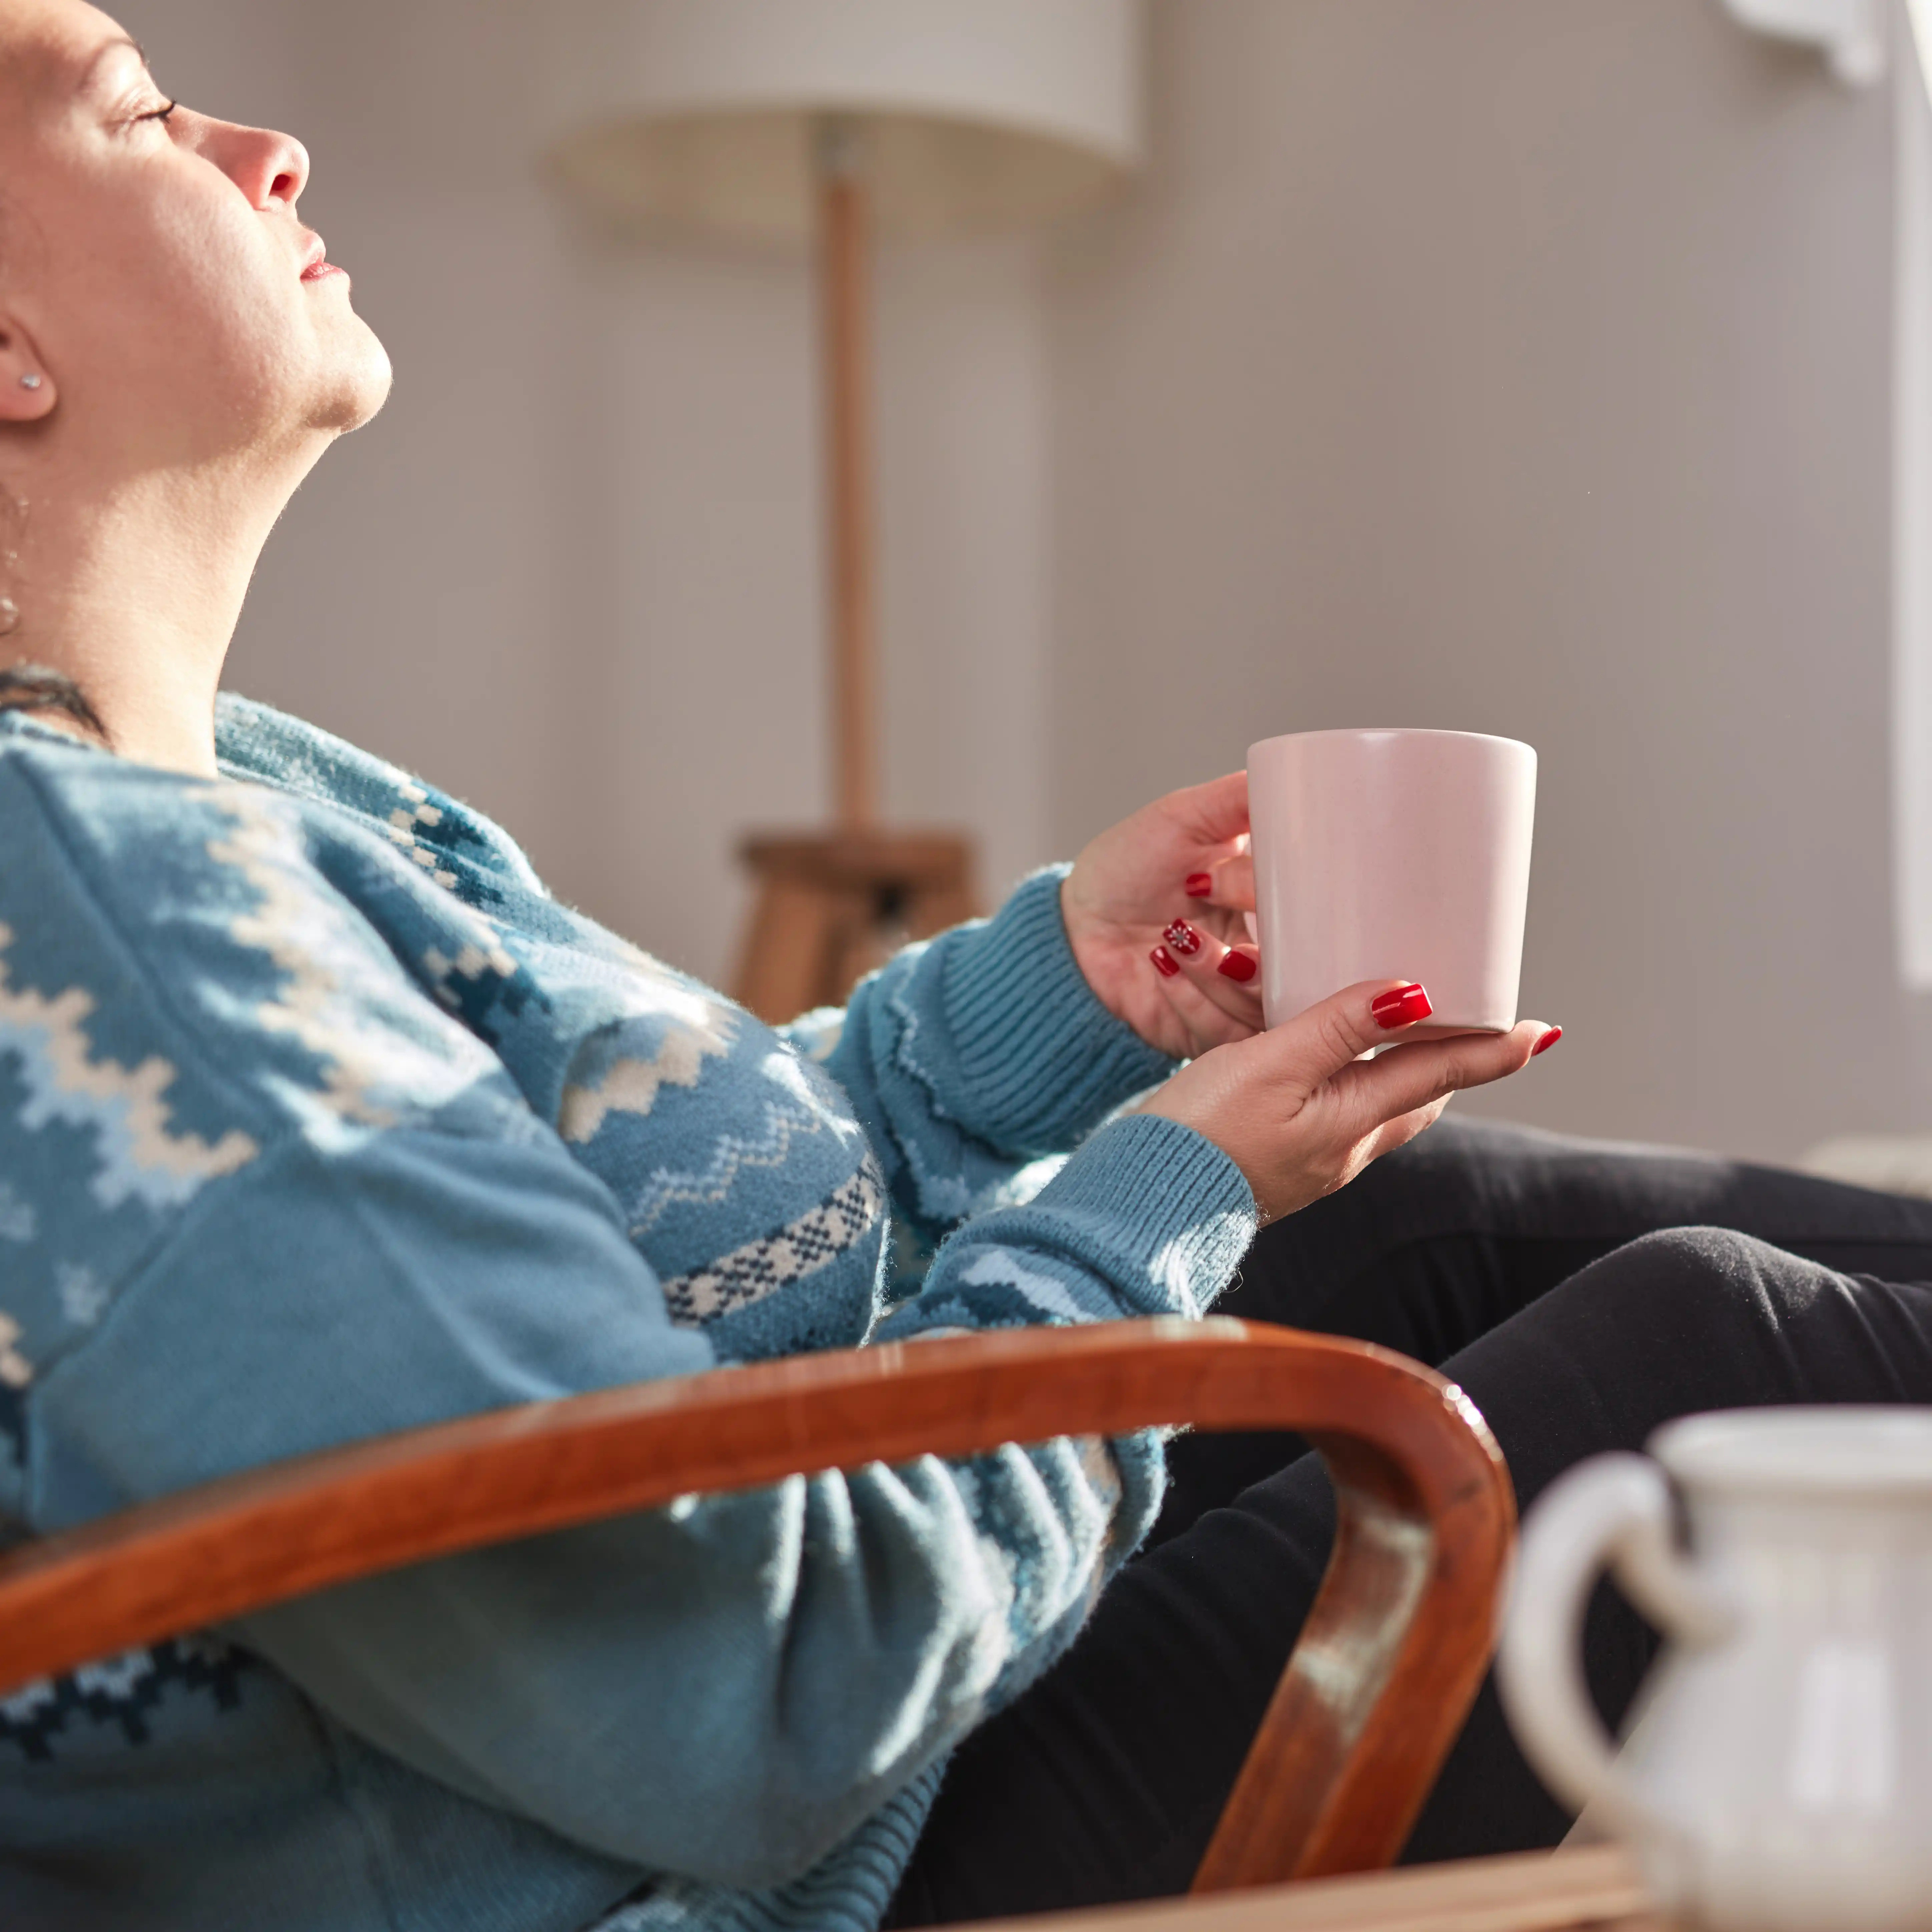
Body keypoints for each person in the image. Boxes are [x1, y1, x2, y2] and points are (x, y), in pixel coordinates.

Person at [1, 5, 1930, 1930]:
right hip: (753, 1856)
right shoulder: (109, 935)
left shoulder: (243, 789)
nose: (268, 147)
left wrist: (1045, 1020)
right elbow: (741, 1685)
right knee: (1718, 1349)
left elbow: (603, 1255)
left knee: (1451, 1219)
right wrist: (1157, 1203)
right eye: (140, 117)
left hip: (786, 1692)